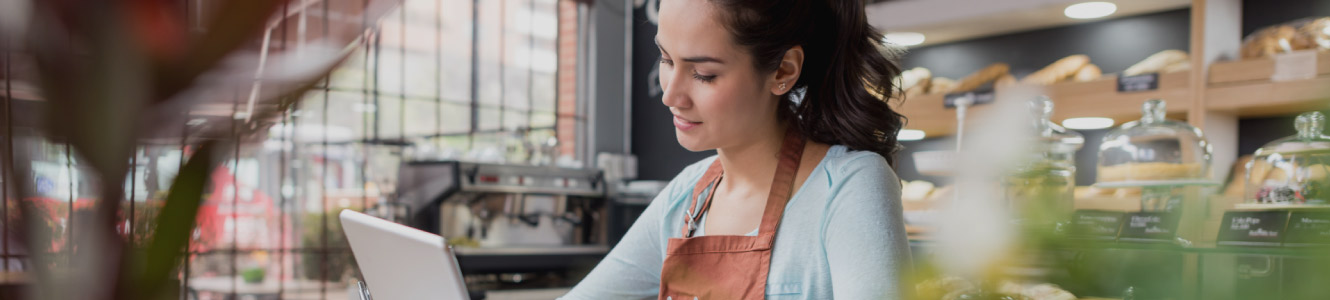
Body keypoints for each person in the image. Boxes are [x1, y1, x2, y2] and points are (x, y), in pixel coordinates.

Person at [561, 0, 910, 298]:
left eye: (704, 74)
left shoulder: (850, 186)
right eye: (666, 60)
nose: (670, 96)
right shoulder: (687, 195)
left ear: (782, 71)